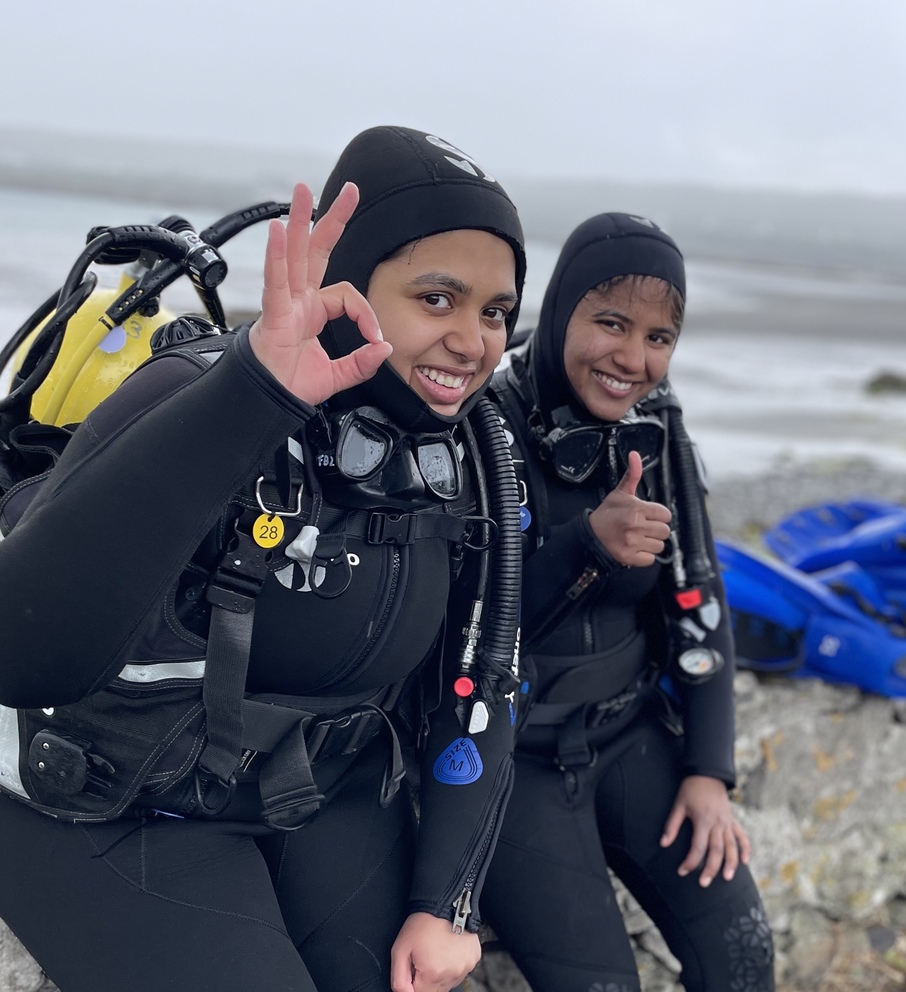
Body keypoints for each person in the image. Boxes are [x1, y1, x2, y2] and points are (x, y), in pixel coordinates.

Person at [0, 126, 526, 992]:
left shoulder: (467, 459)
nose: (473, 341)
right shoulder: (197, 393)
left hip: (316, 792)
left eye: (495, 310)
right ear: (347, 284)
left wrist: (448, 900)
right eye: (438, 298)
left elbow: (488, 668)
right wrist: (254, 393)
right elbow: (22, 651)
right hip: (111, 798)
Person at [482, 212, 776, 992]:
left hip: (631, 736)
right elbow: (464, 630)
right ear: (562, 308)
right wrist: (586, 545)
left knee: (743, 958)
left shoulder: (656, 428)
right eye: (610, 323)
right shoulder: (486, 427)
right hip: (511, 767)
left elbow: (699, 595)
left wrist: (710, 771)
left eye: (658, 338)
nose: (633, 358)